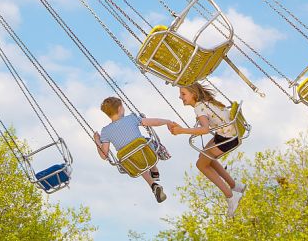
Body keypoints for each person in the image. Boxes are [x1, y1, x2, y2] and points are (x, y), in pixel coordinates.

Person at [168, 83, 245, 218]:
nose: (180, 97)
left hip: (227, 138)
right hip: (229, 133)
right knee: (204, 156)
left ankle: (231, 197)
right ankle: (234, 185)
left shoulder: (199, 107)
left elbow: (205, 129)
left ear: (194, 94)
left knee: (201, 164)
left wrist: (181, 131)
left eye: (183, 94)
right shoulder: (205, 102)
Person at [93, 96, 173, 203]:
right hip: (148, 152)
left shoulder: (105, 131)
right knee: (144, 144)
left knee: (135, 159)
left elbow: (104, 155)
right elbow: (154, 122)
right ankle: (154, 169)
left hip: (132, 163)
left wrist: (97, 140)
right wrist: (167, 121)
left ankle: (153, 185)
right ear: (120, 108)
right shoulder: (131, 118)